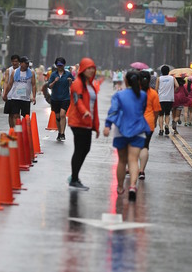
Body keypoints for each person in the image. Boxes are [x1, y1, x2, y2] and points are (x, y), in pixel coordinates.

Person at [104, 70, 150, 201]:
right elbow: (143, 109)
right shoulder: (142, 95)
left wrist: (107, 125)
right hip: (138, 130)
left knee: (122, 161)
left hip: (121, 131)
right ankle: (132, 186)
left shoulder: (119, 95)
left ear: (125, 81)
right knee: (134, 160)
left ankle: (119, 187)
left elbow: (113, 110)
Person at [66, 58, 100, 191]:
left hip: (87, 122)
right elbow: (77, 100)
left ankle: (74, 176)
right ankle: (74, 179)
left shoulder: (91, 85)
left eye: (93, 68)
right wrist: (84, 111)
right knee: (80, 149)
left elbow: (94, 108)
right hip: (78, 121)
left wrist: (96, 126)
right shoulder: (77, 84)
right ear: (83, 69)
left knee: (85, 149)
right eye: (89, 68)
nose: (91, 70)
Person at [42, 57, 74, 141]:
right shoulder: (53, 74)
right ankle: (59, 132)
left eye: (61, 65)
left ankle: (63, 133)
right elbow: (49, 86)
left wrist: (70, 81)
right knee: (57, 116)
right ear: (56, 65)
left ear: (64, 65)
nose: (60, 67)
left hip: (65, 98)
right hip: (55, 98)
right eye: (58, 65)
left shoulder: (68, 74)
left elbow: (74, 85)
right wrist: (54, 81)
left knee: (62, 114)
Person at [137, 70, 161, 179]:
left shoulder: (134, 92)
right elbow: (156, 111)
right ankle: (141, 171)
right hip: (148, 123)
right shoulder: (153, 94)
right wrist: (155, 122)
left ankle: (131, 167)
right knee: (145, 147)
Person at [3, 57, 36, 122]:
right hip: (15, 97)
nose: (27, 65)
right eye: (25, 63)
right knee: (15, 115)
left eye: (27, 63)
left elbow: (33, 85)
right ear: (21, 63)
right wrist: (5, 94)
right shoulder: (14, 72)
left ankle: (25, 130)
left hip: (26, 98)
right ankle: (17, 130)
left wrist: (34, 96)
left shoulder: (31, 73)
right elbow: (10, 84)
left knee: (26, 117)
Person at [2, 53, 21, 129]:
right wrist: (4, 93)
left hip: (19, 95)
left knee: (17, 114)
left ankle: (18, 131)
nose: (15, 63)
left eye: (16, 61)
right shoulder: (8, 70)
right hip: (10, 94)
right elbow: (6, 82)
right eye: (13, 61)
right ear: (11, 62)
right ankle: (12, 130)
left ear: (19, 62)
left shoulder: (22, 70)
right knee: (11, 114)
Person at [156, 64, 175, 136]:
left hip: (161, 99)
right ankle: (166, 125)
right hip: (170, 99)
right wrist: (172, 91)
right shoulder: (172, 78)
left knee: (160, 115)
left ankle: (161, 130)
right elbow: (177, 86)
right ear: (168, 71)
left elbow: (156, 89)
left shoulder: (159, 78)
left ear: (161, 71)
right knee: (167, 114)